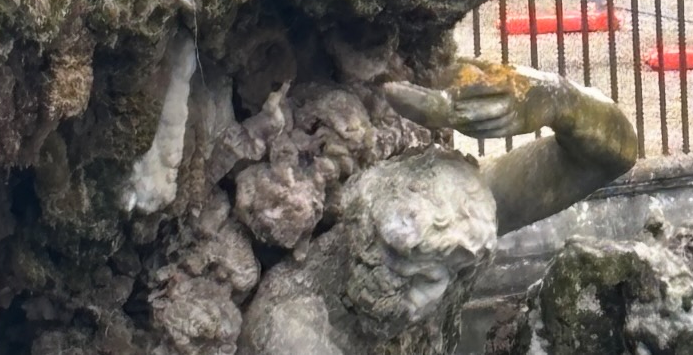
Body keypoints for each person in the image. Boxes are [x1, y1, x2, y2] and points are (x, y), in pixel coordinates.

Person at [239, 58, 638, 355]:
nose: (438, 295)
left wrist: (557, 99)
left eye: (452, 274)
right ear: (371, 248)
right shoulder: (293, 328)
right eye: (426, 278)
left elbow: (610, 158)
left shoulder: (446, 231)